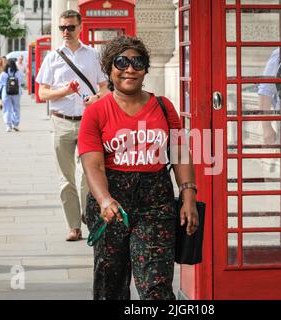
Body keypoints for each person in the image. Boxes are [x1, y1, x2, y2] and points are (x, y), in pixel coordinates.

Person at [78, 35, 199, 300]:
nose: (130, 68)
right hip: (112, 203)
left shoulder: (164, 107)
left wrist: (188, 196)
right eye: (121, 62)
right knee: (111, 284)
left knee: (157, 285)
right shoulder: (96, 112)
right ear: (110, 68)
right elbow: (93, 164)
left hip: (156, 201)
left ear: (145, 69)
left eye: (138, 62)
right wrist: (104, 199)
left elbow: (180, 154)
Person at [36, 9, 108, 242]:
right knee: (65, 178)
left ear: (80, 27)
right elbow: (42, 92)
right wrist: (64, 91)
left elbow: (105, 88)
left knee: (90, 174)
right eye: (62, 28)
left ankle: (89, 215)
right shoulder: (53, 57)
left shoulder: (93, 55)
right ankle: (73, 226)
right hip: (61, 122)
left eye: (70, 27)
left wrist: (96, 99)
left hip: (88, 122)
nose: (65, 32)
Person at [0, 59, 23, 132]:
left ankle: (8, 126)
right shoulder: (18, 73)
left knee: (7, 109)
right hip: (16, 93)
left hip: (6, 92)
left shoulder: (3, 74)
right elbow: (20, 82)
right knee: (16, 108)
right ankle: (15, 124)